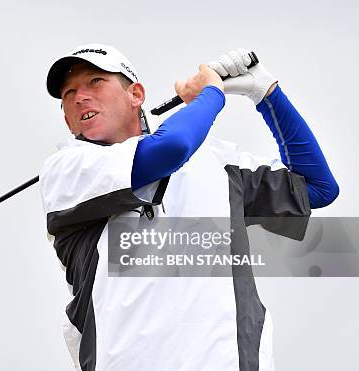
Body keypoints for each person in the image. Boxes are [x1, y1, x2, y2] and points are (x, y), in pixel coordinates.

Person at [39, 43, 339, 371]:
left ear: (136, 95)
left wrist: (266, 94)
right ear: (68, 121)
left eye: (95, 82)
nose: (80, 96)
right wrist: (211, 94)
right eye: (69, 93)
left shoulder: (219, 161)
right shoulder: (67, 170)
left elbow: (317, 187)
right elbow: (172, 147)